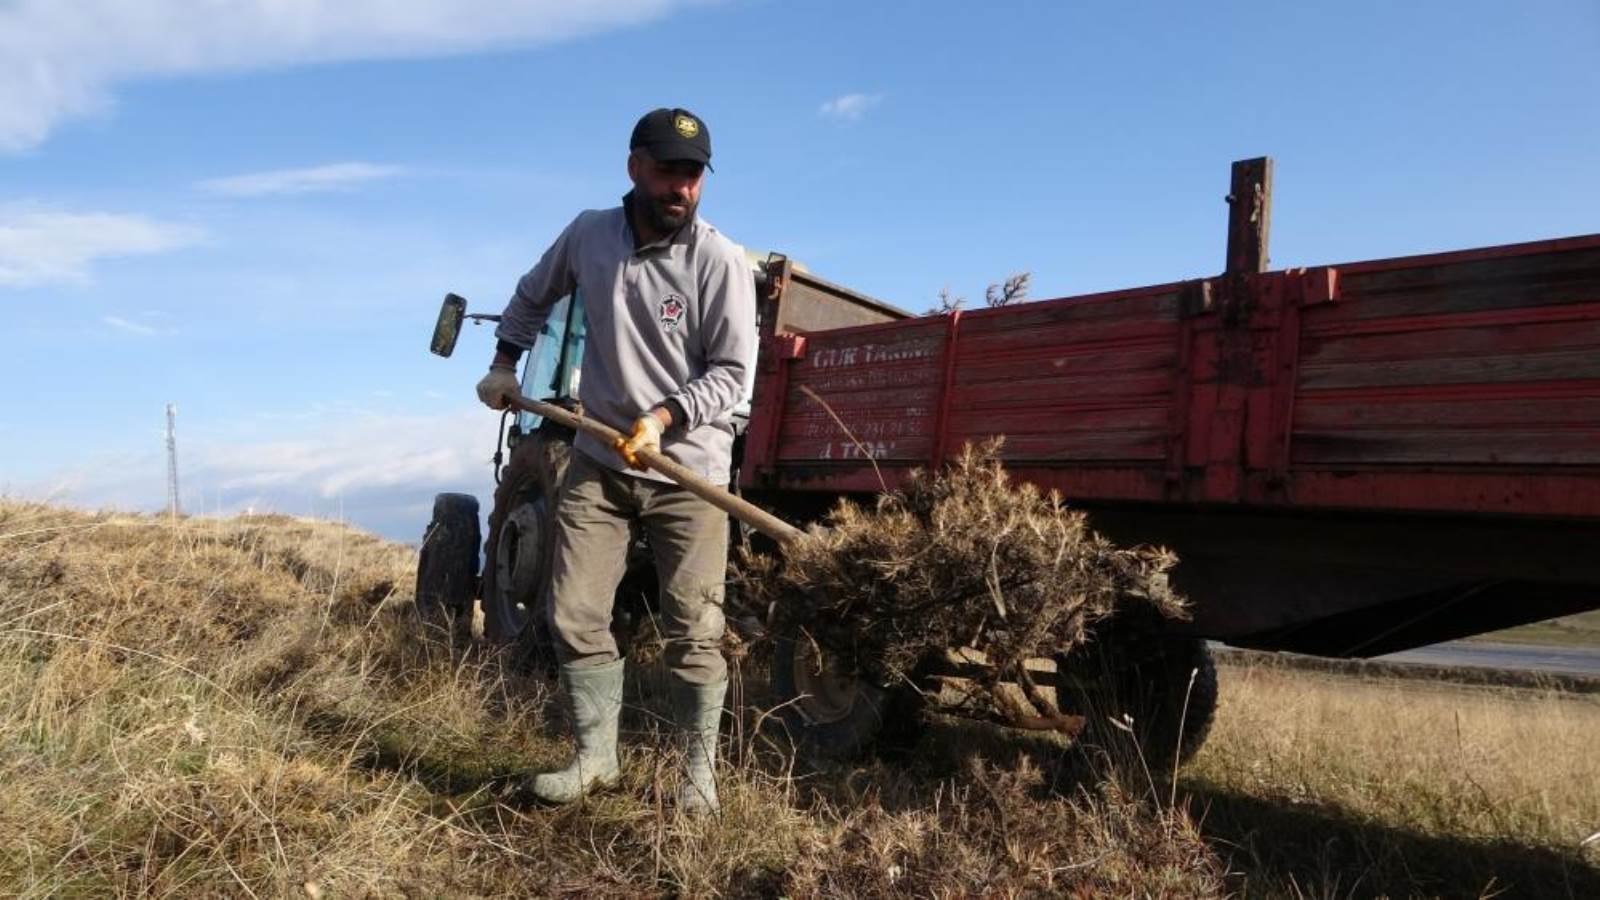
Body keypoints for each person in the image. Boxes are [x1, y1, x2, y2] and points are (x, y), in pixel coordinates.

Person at [475, 107, 756, 815]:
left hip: (687, 471)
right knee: (573, 611)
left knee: (695, 627)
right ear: (634, 166)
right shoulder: (589, 235)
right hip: (599, 459)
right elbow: (532, 296)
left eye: (693, 175)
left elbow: (732, 375)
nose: (682, 188)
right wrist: (505, 362)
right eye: (669, 171)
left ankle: (698, 777)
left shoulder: (720, 260)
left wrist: (663, 419)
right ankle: (596, 759)